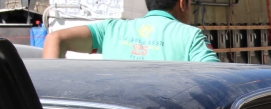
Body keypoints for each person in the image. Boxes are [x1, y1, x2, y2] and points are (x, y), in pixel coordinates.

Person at [41, 0, 219, 61]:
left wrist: (44, 105)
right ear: (182, 3)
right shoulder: (191, 37)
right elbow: (216, 84)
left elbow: (55, 39)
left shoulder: (111, 29)